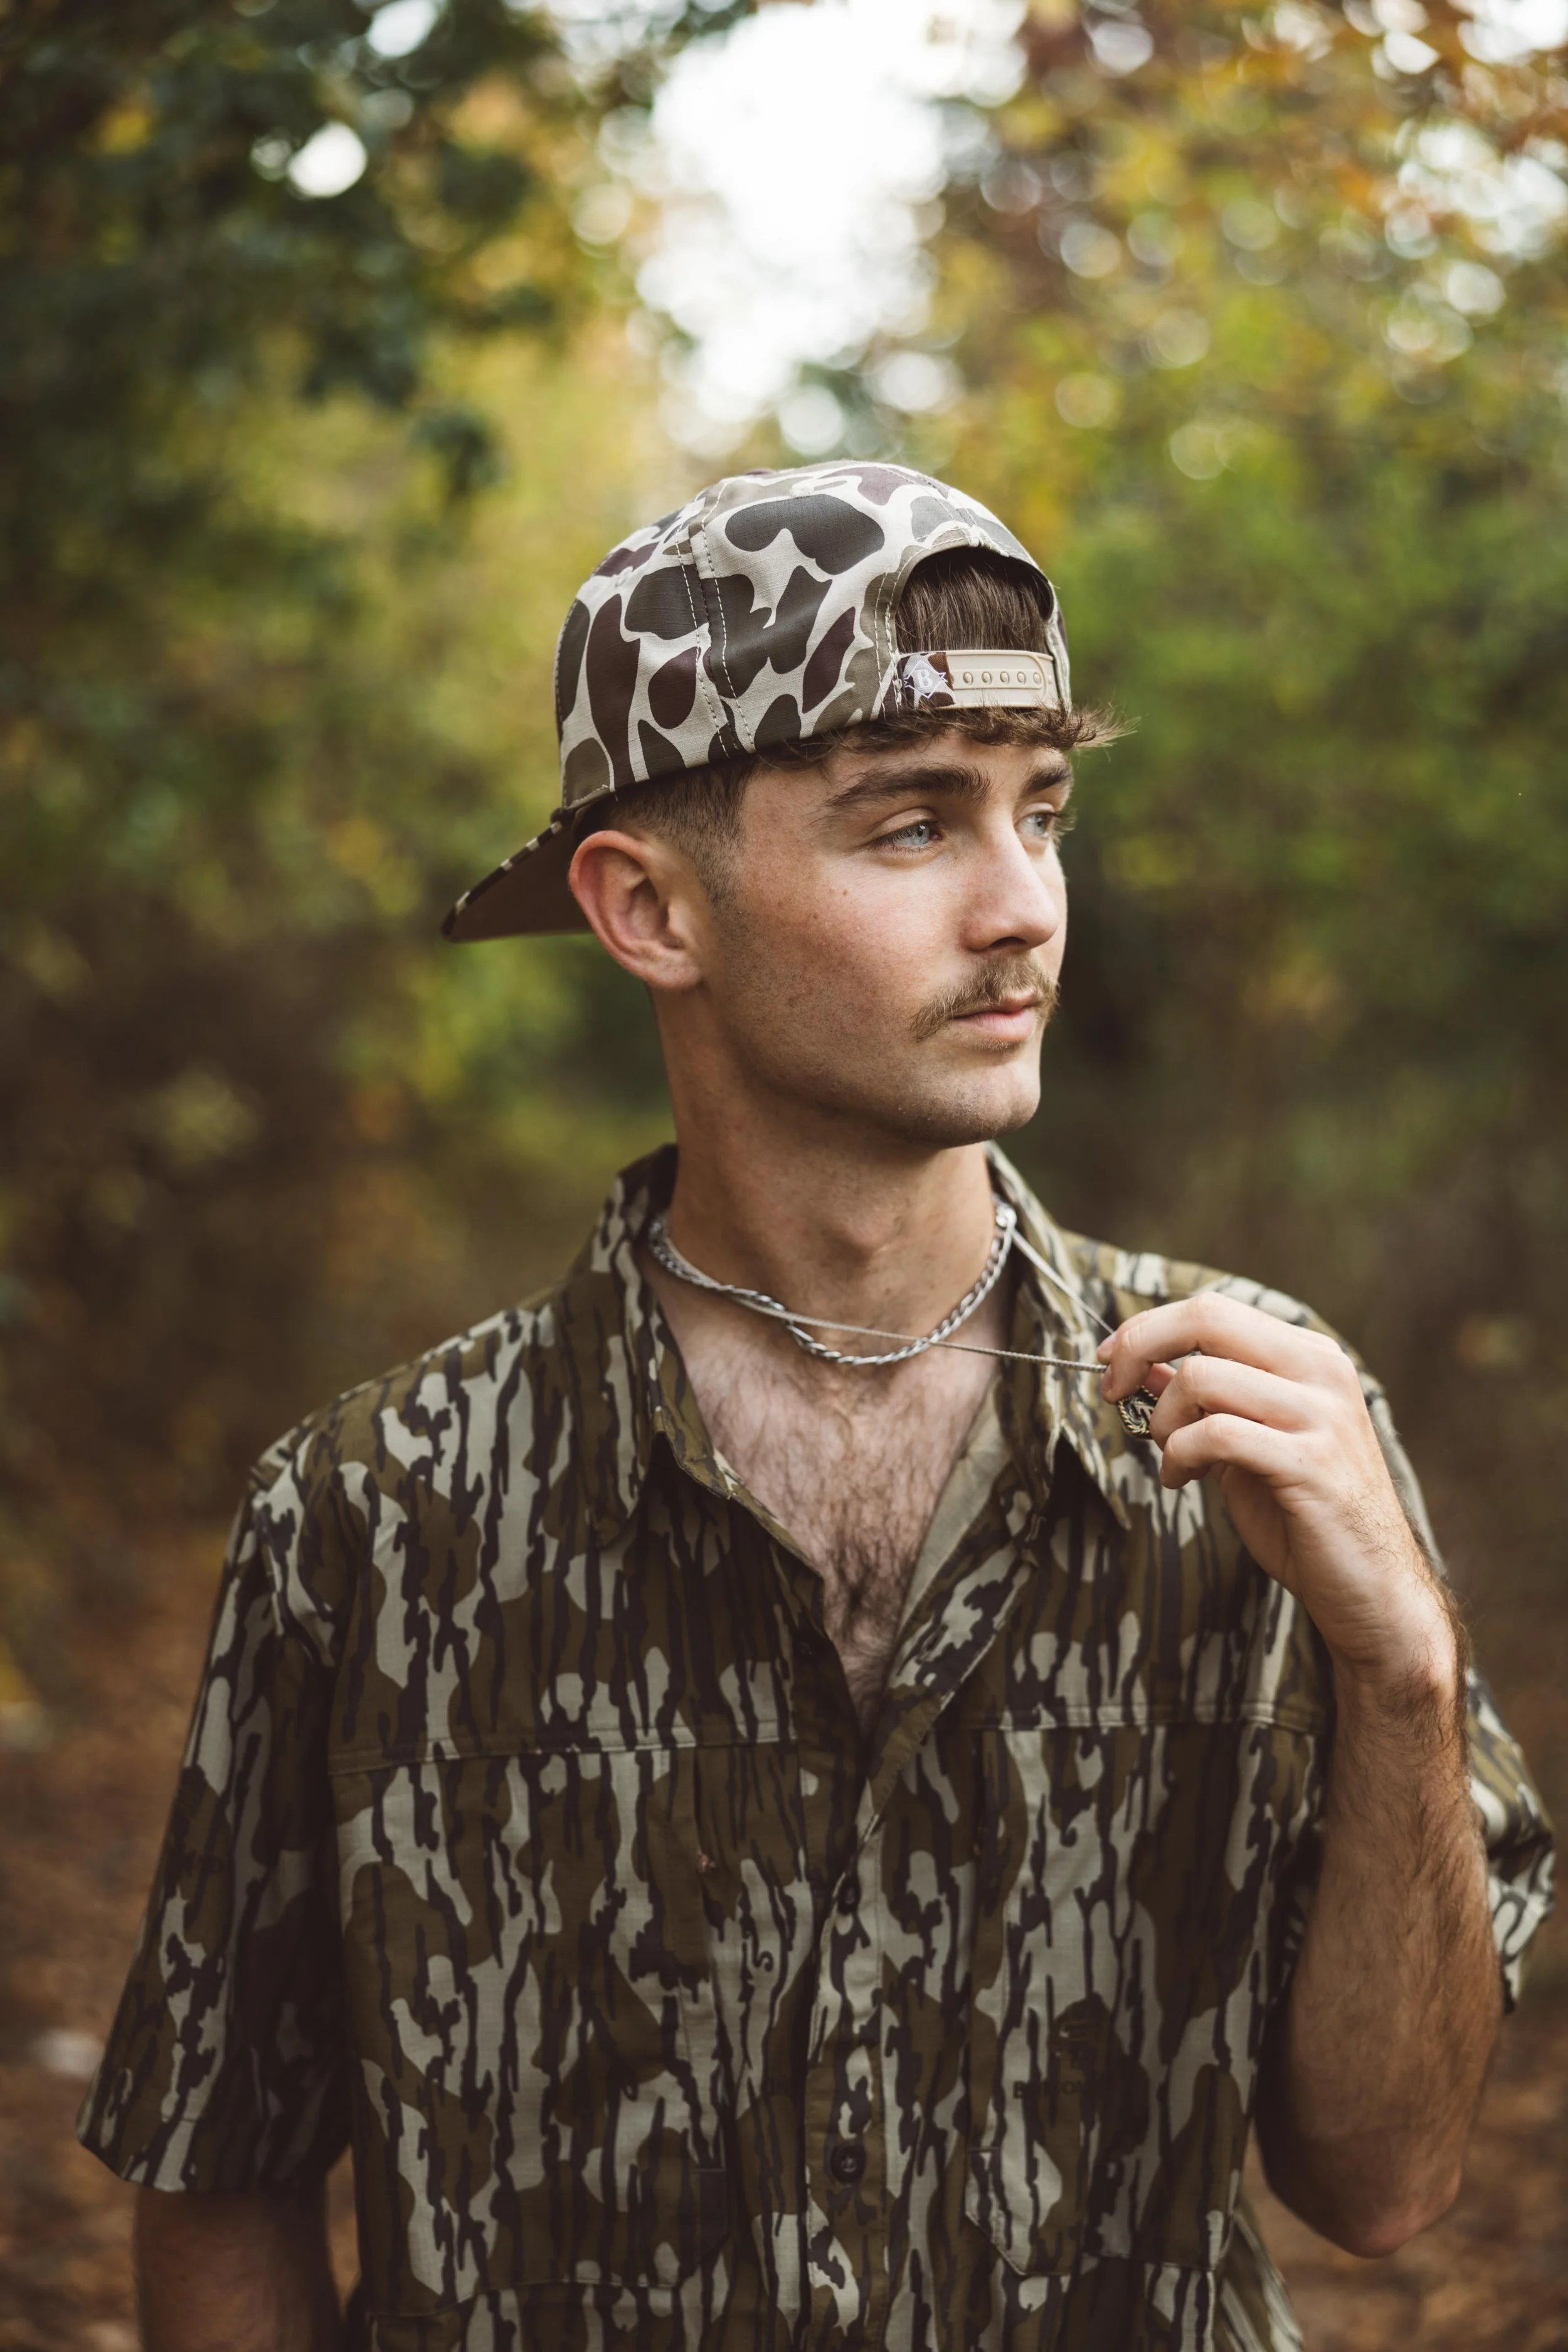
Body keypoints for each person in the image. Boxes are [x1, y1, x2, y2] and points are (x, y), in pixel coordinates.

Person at [79, 463, 1553, 2352]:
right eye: (912, 824)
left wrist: (1400, 1670)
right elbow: (226, 2180)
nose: (1021, 909)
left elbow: (1385, 2177)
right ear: (649, 909)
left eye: (1042, 811)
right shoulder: (380, 1512)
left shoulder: (1252, 1418)